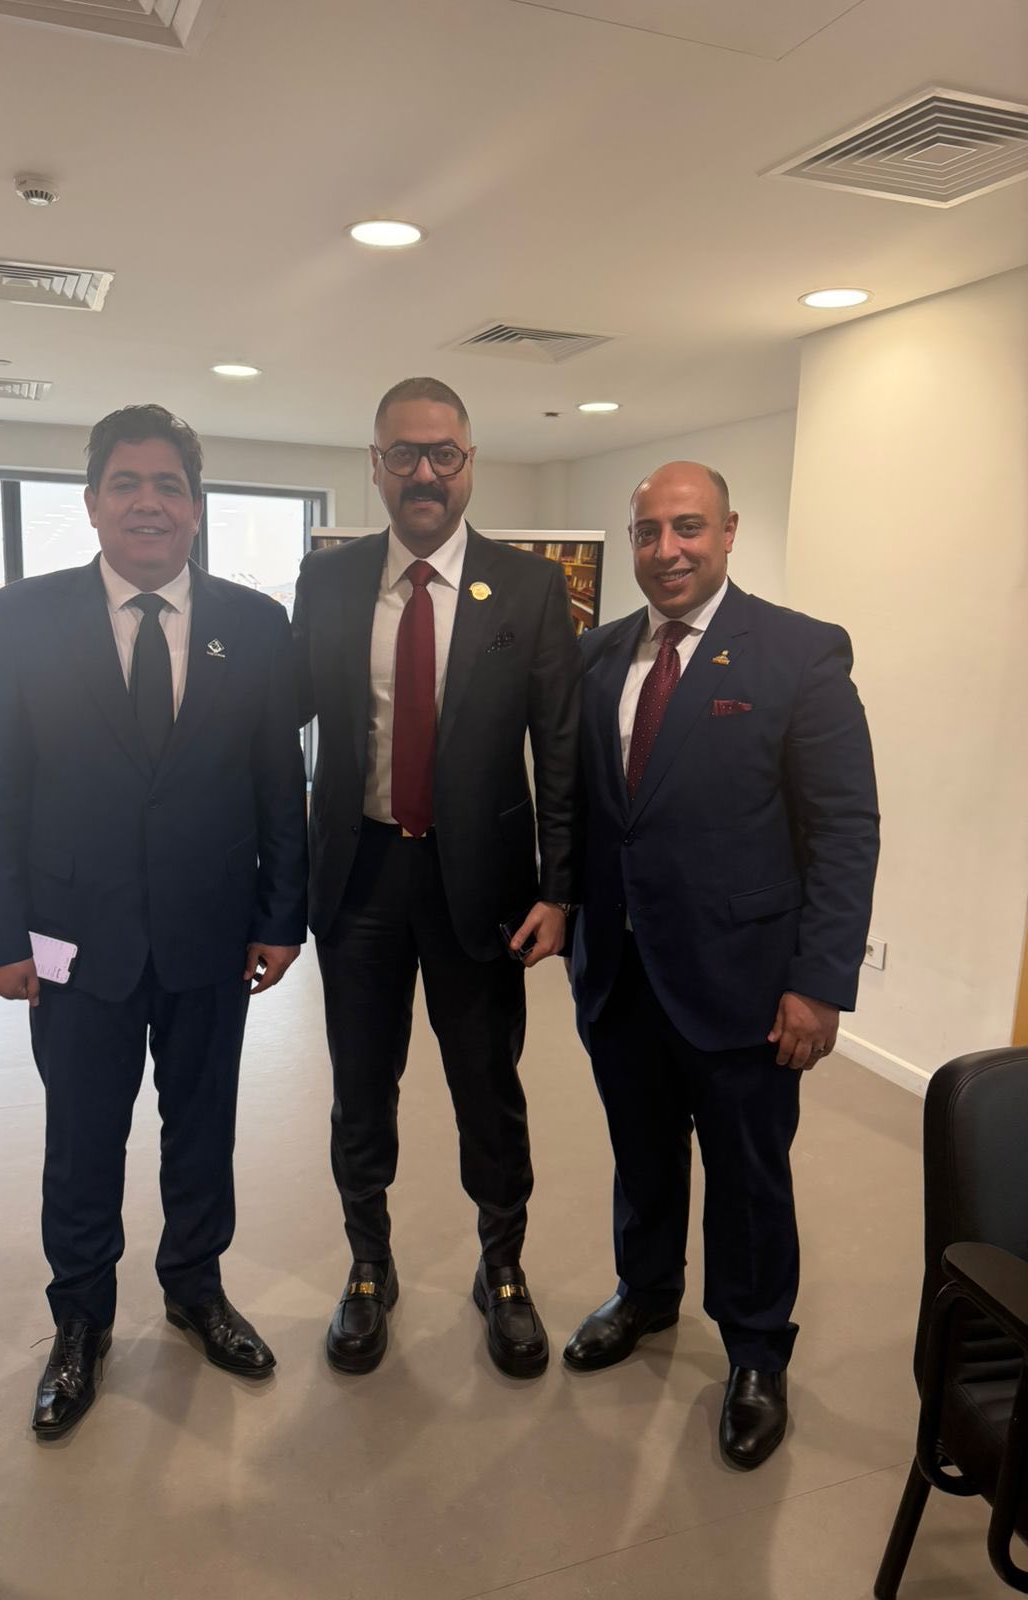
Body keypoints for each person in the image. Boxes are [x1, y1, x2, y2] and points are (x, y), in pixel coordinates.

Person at [0, 404, 307, 1439]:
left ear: (196, 508)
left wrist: (281, 917)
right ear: (92, 503)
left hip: (213, 932)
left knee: (202, 1128)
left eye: (168, 485)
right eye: (127, 483)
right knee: (82, 1139)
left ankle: (196, 1289)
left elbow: (278, 784)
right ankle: (81, 1320)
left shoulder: (255, 625)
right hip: (70, 938)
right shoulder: (26, 615)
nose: (148, 503)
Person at [565, 460, 879, 1468]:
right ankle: (647, 1293)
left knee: (748, 1175)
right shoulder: (598, 653)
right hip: (620, 972)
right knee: (642, 1154)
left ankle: (754, 1351)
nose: (668, 551)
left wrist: (820, 982)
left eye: (689, 527)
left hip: (747, 980)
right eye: (648, 531)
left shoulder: (799, 652)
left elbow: (845, 828)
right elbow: (591, 812)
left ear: (730, 530)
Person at [292, 377, 581, 1379]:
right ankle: (369, 1266)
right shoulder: (328, 582)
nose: (425, 472)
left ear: (470, 463)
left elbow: (561, 749)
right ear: (375, 465)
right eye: (405, 454)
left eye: (443, 453)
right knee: (360, 1091)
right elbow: (282, 721)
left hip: (484, 889)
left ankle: (502, 1269)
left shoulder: (530, 588)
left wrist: (559, 889)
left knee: (487, 1090)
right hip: (361, 878)